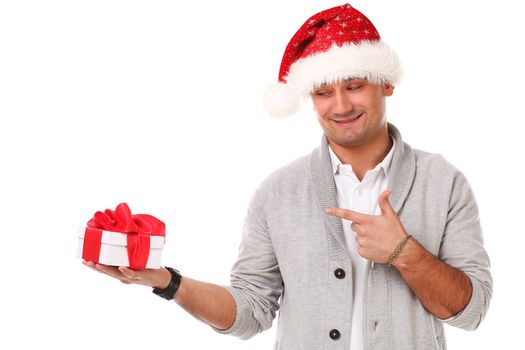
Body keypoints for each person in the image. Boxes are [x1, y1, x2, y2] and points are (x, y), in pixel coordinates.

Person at [83, 3, 492, 349]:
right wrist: (166, 281)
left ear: (385, 84)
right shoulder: (278, 192)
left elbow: (471, 313)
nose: (340, 105)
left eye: (354, 86)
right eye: (323, 92)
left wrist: (402, 251)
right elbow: (251, 311)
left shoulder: (444, 182)